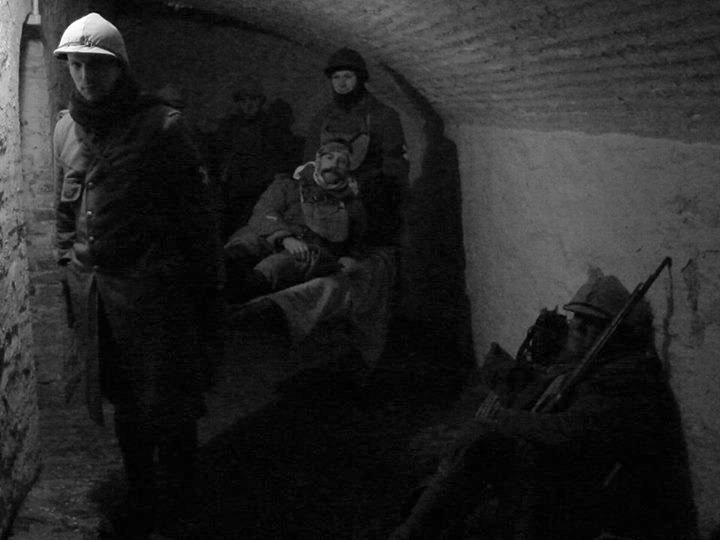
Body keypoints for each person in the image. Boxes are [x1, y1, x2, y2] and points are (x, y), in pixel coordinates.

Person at [52, 13, 221, 539]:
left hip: (154, 296)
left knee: (168, 403)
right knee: (125, 402)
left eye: (96, 66)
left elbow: (196, 222)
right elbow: (66, 214)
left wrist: (204, 298)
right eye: (76, 65)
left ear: (119, 68)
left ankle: (182, 499)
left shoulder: (162, 129)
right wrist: (69, 268)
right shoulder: (66, 129)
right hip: (100, 296)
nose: (85, 77)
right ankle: (142, 492)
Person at [388, 269, 698, 540]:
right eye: (578, 318)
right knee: (478, 449)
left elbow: (569, 430)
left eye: (594, 323)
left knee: (490, 448)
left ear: (619, 334)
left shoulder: (627, 378)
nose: (580, 327)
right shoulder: (588, 363)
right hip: (562, 466)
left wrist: (504, 420)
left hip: (589, 488)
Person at [229, 48, 409, 371]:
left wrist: (361, 190)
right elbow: (307, 162)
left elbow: (394, 170)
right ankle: (218, 282)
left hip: (354, 201)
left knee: (281, 265)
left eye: (348, 77)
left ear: (360, 79)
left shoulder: (382, 117)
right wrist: (304, 191)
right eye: (336, 77)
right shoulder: (324, 117)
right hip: (310, 205)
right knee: (247, 241)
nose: (341, 83)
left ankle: (243, 306)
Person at [224, 139, 365, 301]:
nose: (334, 164)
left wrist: (350, 257)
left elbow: (355, 240)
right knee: (246, 242)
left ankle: (239, 296)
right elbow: (265, 209)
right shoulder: (288, 185)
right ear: (318, 160)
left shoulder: (351, 205)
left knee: (276, 267)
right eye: (329, 157)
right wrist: (284, 238)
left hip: (310, 248)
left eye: (342, 161)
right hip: (272, 233)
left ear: (347, 169)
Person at [213, 80, 299, 239]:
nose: (248, 105)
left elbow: (283, 160)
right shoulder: (229, 127)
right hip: (234, 194)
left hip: (262, 193)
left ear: (261, 101)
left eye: (253, 99)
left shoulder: (273, 127)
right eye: (243, 100)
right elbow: (220, 157)